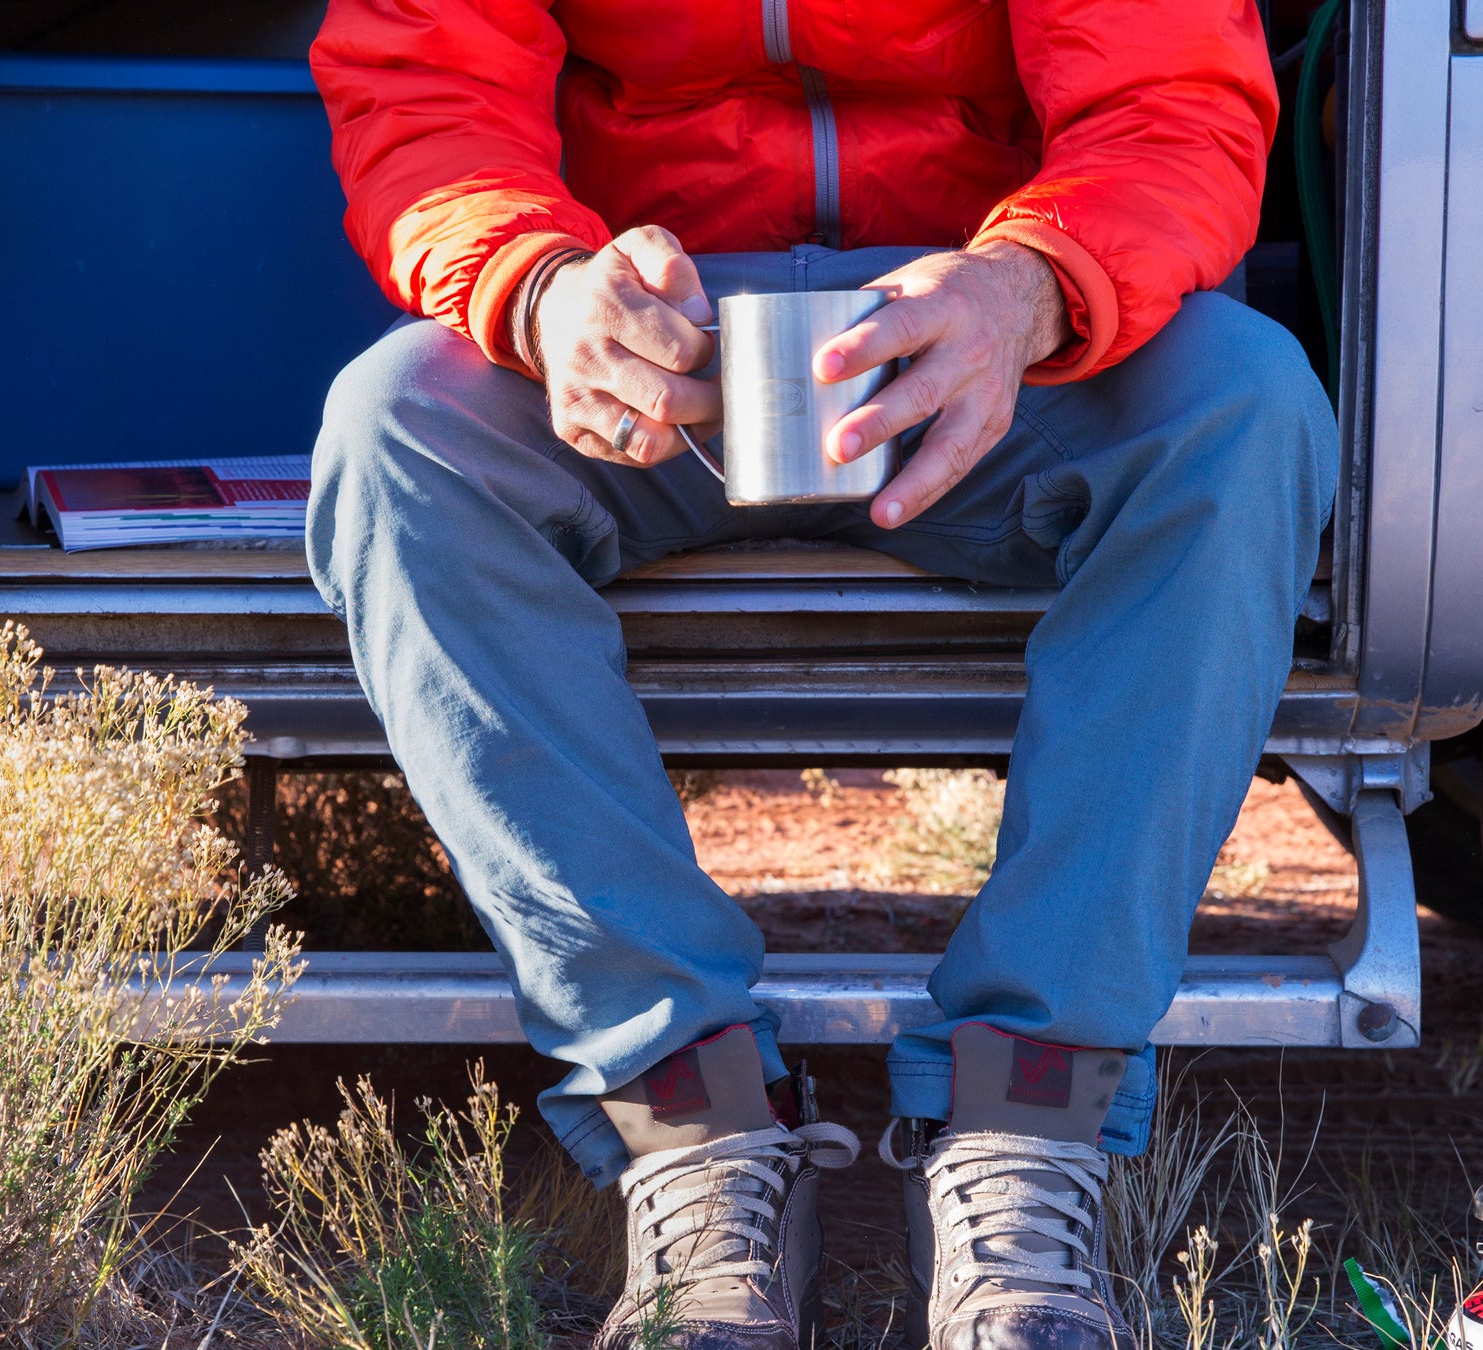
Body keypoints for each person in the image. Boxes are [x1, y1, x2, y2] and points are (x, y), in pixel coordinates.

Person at [303, 0, 1338, 1344]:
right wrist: (544, 288)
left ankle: (1029, 1125)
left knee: (1246, 407)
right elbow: (425, 84)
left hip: (985, 333)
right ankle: (694, 1118)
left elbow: (1170, 103)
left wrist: (1027, 285)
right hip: (653, 350)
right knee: (395, 437)